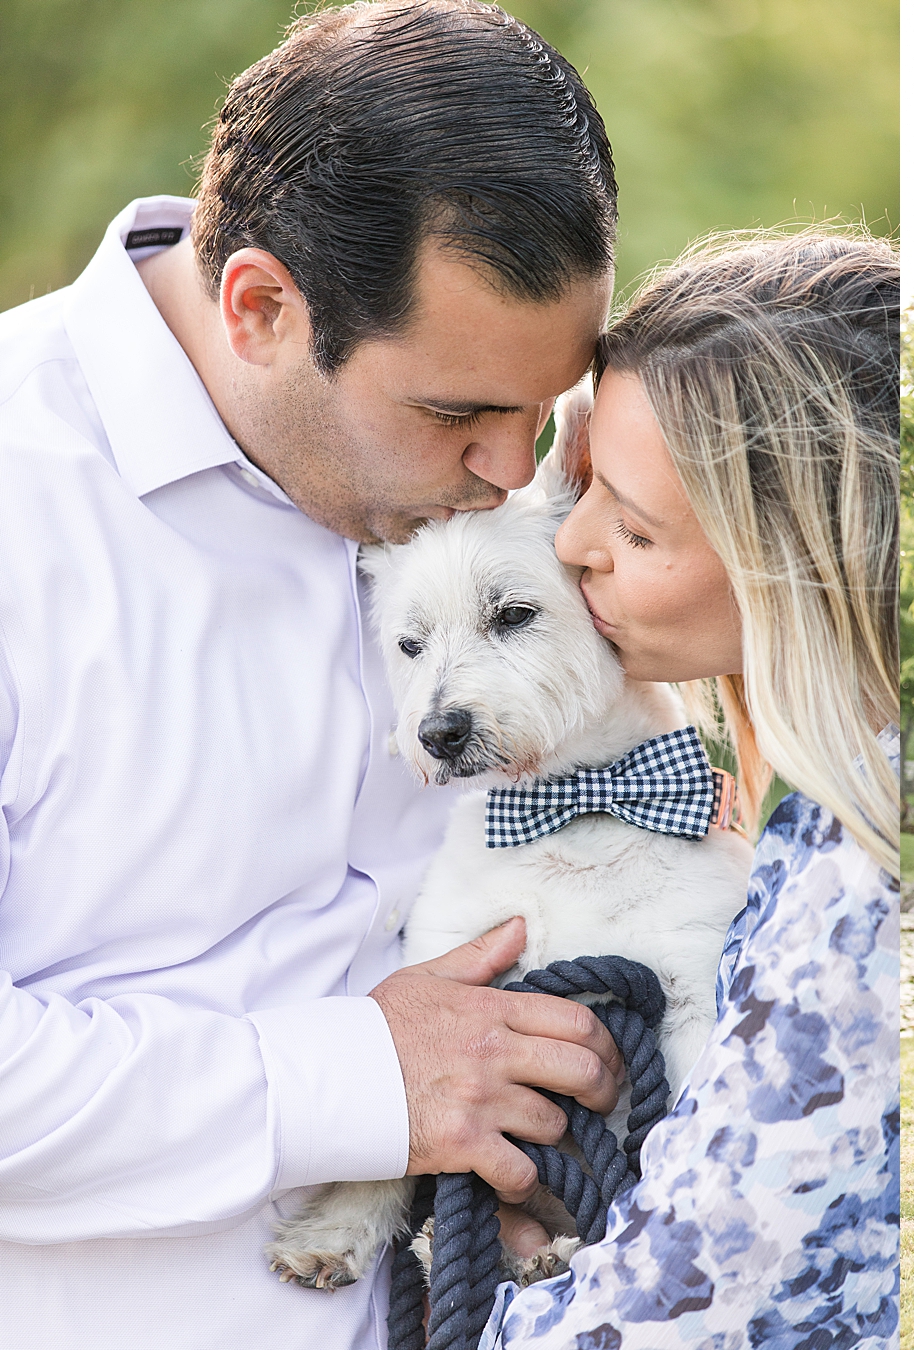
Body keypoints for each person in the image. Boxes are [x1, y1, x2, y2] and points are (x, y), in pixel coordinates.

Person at [0, 5, 633, 1345]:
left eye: (541, 409)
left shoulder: (545, 511)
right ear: (263, 308)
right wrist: (362, 1077)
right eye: (459, 412)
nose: (515, 472)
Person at [478, 231, 900, 1347]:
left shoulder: (853, 887)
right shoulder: (812, 824)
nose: (574, 546)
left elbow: (675, 1311)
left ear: (789, 559)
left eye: (633, 523)